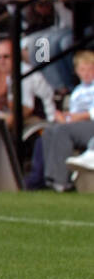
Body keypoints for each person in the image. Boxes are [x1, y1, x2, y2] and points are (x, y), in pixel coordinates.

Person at [43, 51, 94, 190]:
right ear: (77, 71)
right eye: (83, 69)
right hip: (77, 124)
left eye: (90, 69)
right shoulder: (77, 92)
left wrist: (76, 118)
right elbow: (73, 113)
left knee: (63, 130)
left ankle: (62, 181)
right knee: (49, 131)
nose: (87, 73)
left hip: (90, 124)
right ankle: (49, 178)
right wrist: (64, 117)